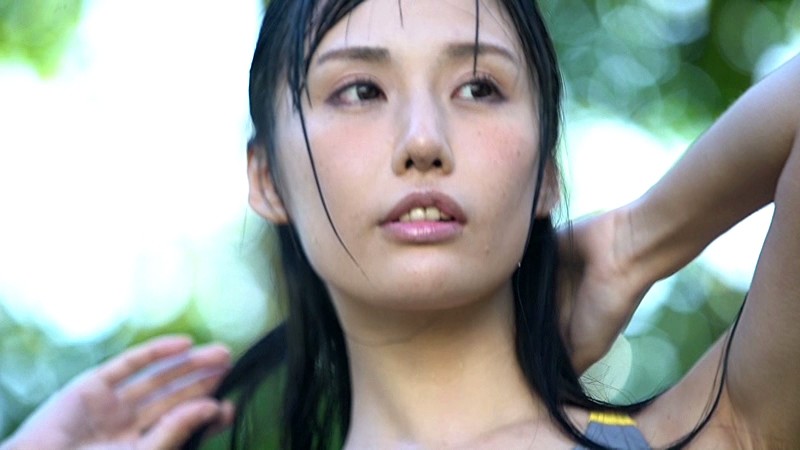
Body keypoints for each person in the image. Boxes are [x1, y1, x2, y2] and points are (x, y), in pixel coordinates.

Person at [3, 0, 799, 448]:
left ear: (545, 175)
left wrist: (638, 241)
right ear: (266, 179)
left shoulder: (715, 432)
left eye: (479, 87)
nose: (423, 141)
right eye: (359, 90)